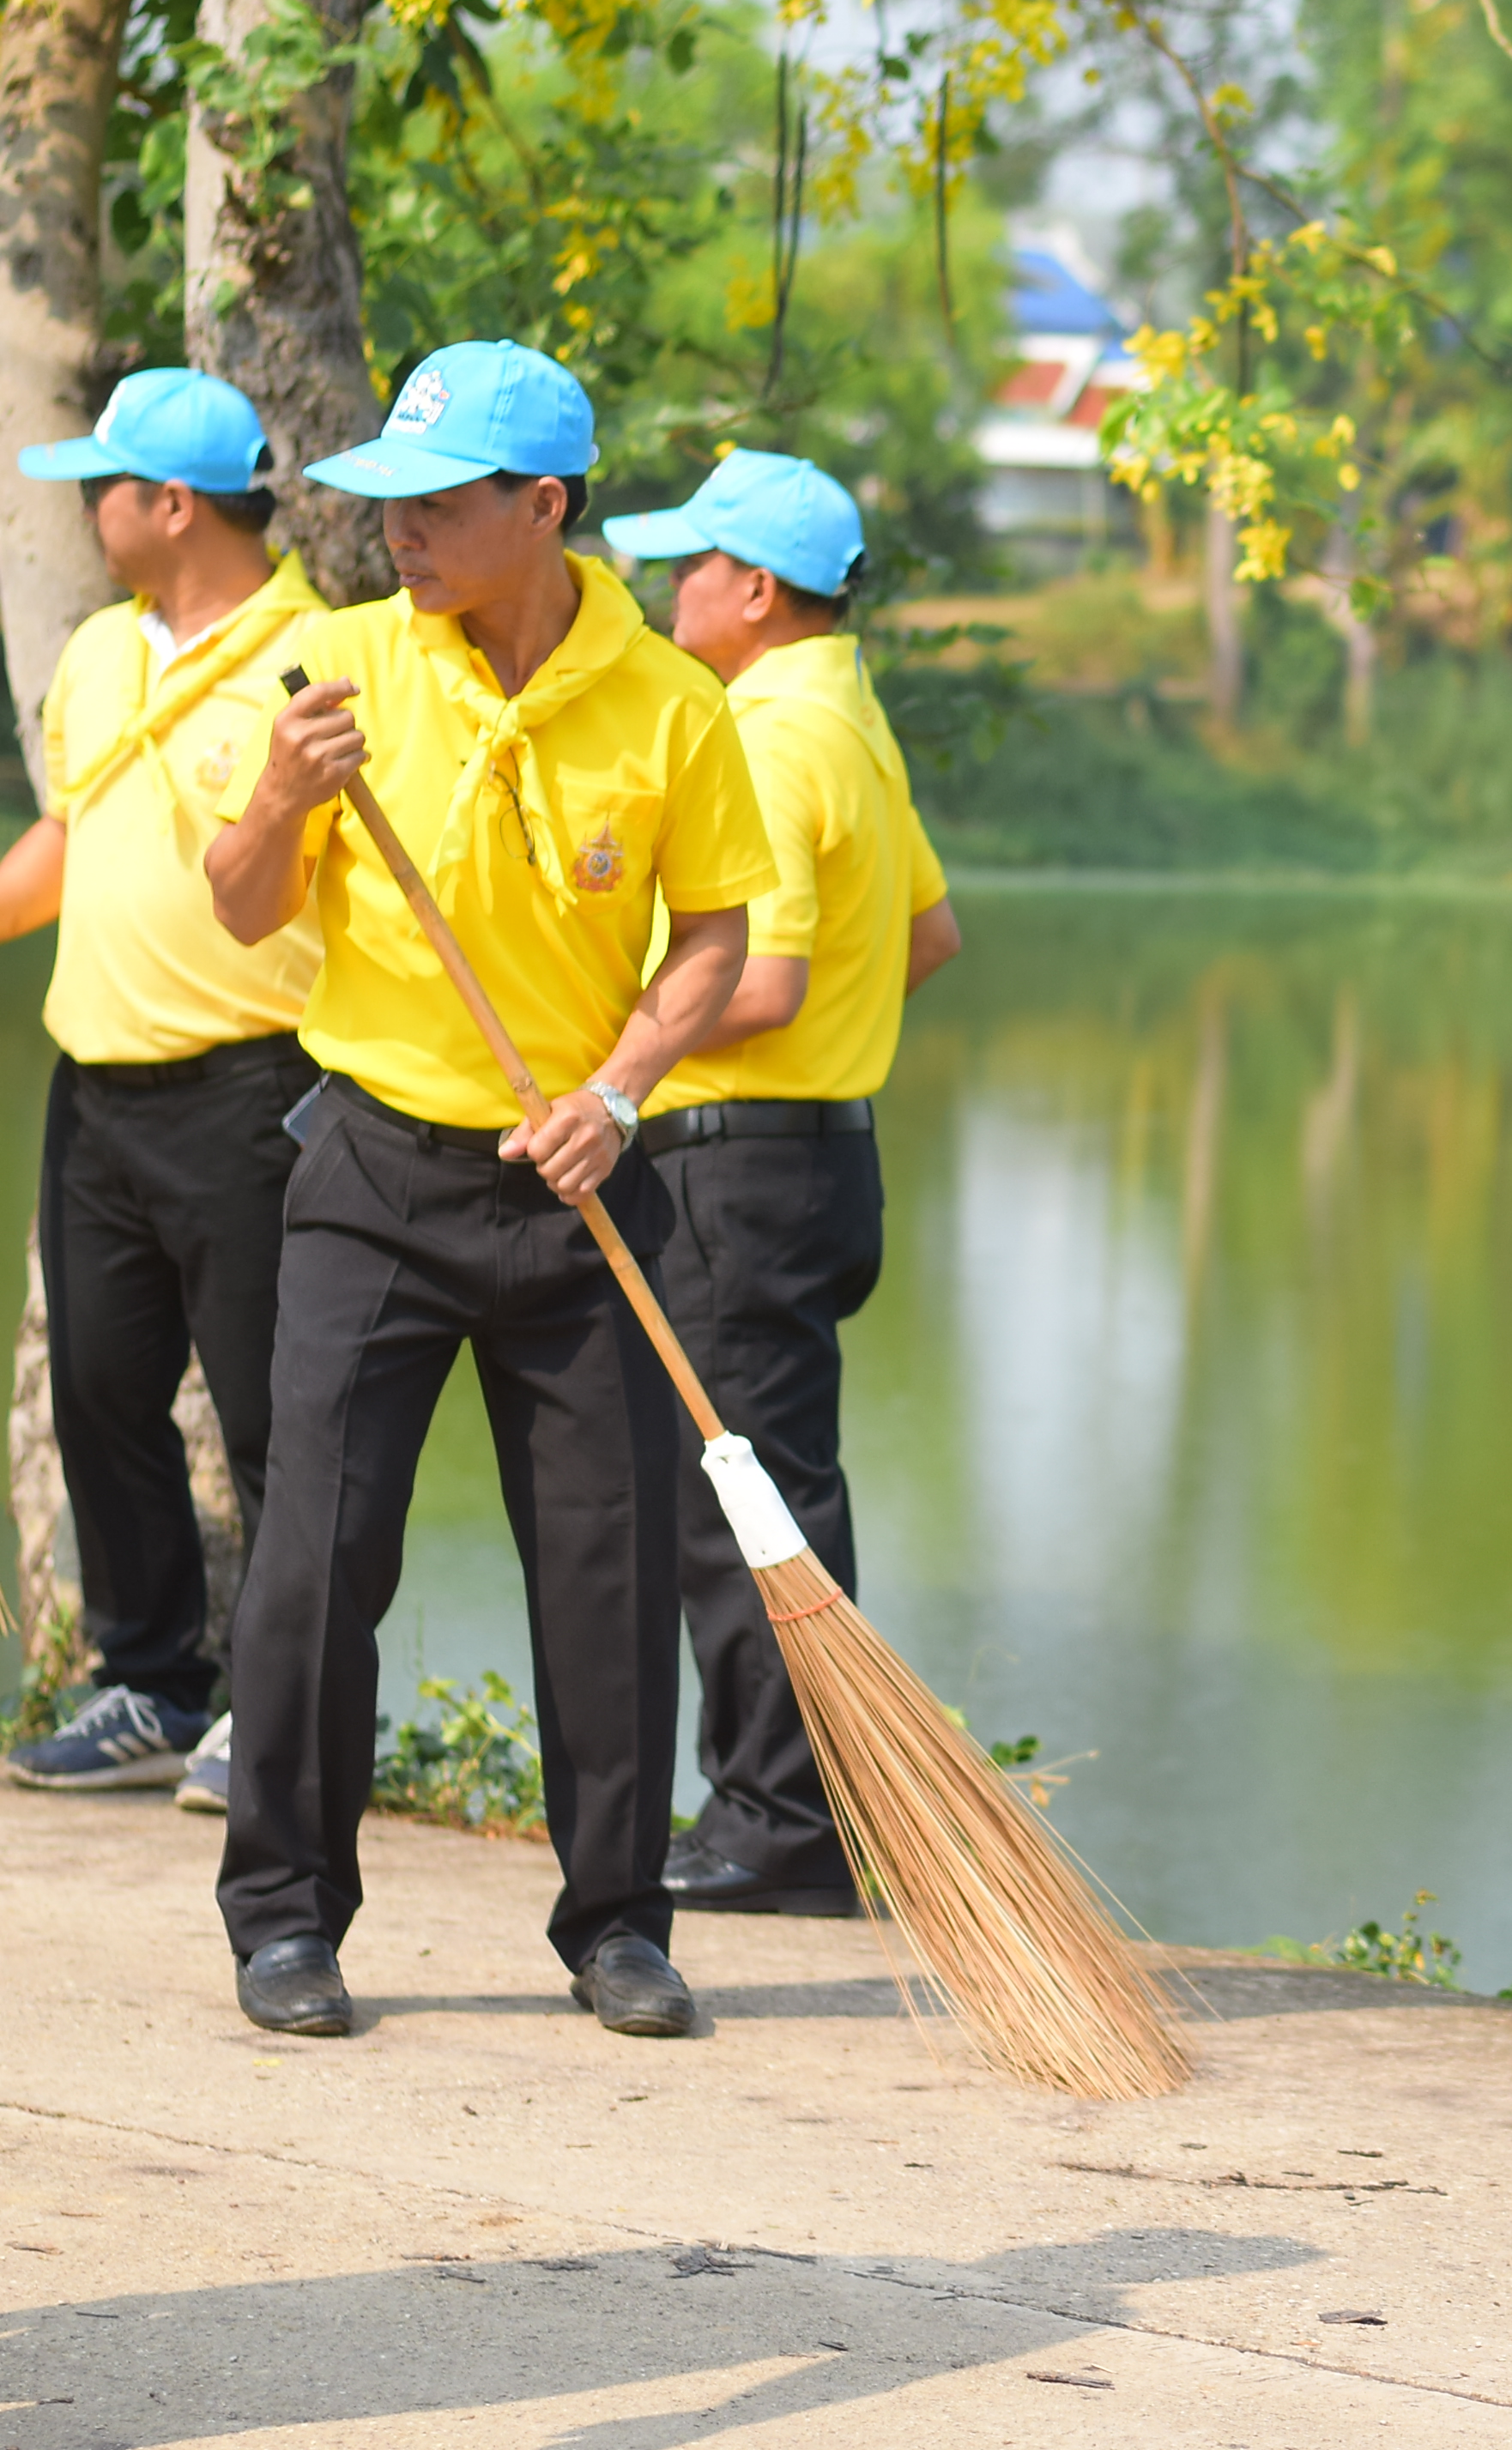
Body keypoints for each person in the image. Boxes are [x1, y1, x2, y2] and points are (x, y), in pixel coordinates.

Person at [202, 341, 778, 2042]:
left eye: (439, 509)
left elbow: (721, 937)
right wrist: (281, 799)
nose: (402, 538)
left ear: (543, 508)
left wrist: (621, 1091)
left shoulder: (674, 702)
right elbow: (243, 908)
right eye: (387, 506)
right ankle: (285, 1923)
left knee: (608, 1573)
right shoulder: (339, 669)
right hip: (374, 1171)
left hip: (578, 1188)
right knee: (313, 1556)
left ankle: (618, 1922)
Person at [598, 452, 962, 1918]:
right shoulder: (851, 720)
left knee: (737, 1504)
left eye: (689, 564)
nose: (665, 585)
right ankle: (797, 1805)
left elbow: (769, 973)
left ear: (754, 590)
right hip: (818, 1156)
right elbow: (929, 939)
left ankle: (779, 1821)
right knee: (773, 1486)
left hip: (739, 1167)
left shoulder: (762, 732)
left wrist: (614, 1048)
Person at [0, 372, 321, 1806]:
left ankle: (288, 1710)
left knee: (273, 1414)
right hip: (100, 1091)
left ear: (171, 504)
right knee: (104, 1397)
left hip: (253, 1093)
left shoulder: (315, 660)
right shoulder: (97, 657)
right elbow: (71, 840)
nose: (85, 507)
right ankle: (146, 1682)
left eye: (102, 484)